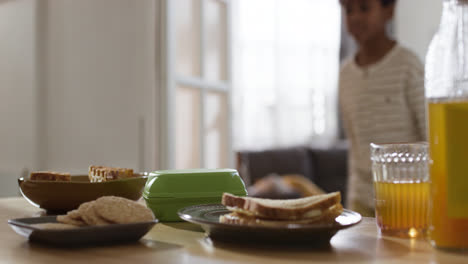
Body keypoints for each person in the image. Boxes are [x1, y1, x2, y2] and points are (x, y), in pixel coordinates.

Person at [339, 0, 426, 216]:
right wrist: (352, 200)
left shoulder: (408, 65)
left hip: (408, 196)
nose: (355, 17)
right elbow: (354, 143)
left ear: (389, 10)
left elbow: (430, 134)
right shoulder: (345, 74)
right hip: (362, 200)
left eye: (364, 8)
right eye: (349, 10)